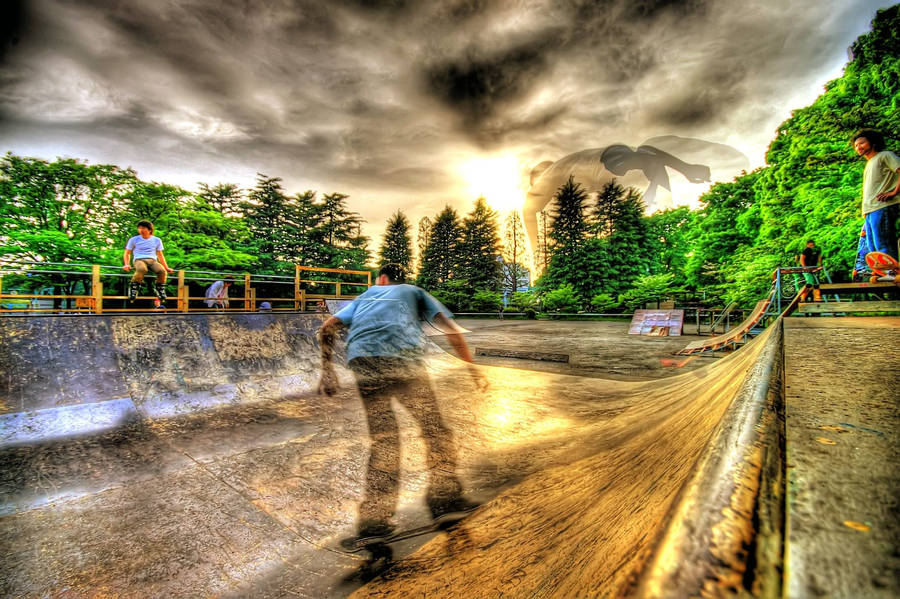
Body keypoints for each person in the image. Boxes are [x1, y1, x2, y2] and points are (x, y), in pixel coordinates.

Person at [317, 263, 486, 544]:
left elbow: (328, 327)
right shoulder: (414, 290)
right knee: (434, 430)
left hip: (364, 364)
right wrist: (471, 367)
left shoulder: (365, 296)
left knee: (384, 441)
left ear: (381, 279)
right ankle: (445, 500)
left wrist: (327, 369)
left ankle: (374, 521)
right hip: (403, 362)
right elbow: (451, 329)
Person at [853, 129, 900, 280]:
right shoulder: (869, 163)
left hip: (883, 206)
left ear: (872, 142)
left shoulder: (885, 156)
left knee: (883, 242)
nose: (858, 147)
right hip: (870, 210)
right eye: (856, 145)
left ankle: (892, 273)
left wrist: (894, 192)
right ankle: (882, 273)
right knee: (872, 246)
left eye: (862, 143)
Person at [122, 220, 174, 307]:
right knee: (142, 269)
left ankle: (160, 289)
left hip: (152, 260)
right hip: (139, 259)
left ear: (150, 230)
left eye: (143, 228)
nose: (141, 230)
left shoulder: (157, 240)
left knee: (162, 271)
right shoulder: (134, 239)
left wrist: (166, 267)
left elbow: (160, 255)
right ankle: (134, 288)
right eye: (139, 228)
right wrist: (126, 264)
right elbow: (127, 253)